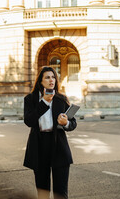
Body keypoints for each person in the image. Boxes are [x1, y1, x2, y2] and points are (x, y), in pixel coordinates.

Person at [23, 66, 77, 199]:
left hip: (58, 145)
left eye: (53, 77)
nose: (51, 80)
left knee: (61, 193)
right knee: (43, 192)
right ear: (40, 81)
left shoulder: (61, 98)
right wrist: (45, 102)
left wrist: (66, 123)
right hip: (39, 146)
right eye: (47, 77)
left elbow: (73, 123)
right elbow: (29, 121)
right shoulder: (30, 99)